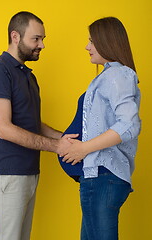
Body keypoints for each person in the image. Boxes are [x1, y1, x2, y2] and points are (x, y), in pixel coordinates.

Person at [0, 11, 77, 240]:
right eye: (36, 39)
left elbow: (31, 122)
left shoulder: (28, 76)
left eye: (42, 39)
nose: (41, 45)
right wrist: (56, 146)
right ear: (15, 36)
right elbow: (4, 128)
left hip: (28, 172)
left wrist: (64, 138)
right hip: (7, 173)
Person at [60, 17, 141, 240]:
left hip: (102, 178)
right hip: (97, 178)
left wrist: (83, 149)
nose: (87, 47)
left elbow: (128, 125)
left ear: (107, 41)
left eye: (92, 41)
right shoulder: (108, 75)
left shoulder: (118, 75)